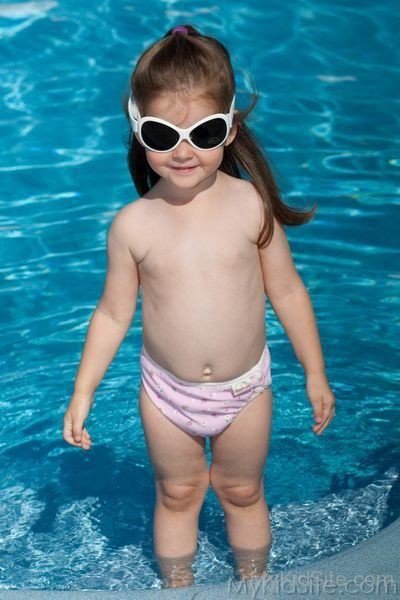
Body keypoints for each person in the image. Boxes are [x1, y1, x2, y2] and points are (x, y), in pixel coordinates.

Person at [62, 24, 336, 589]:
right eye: (164, 134)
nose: (183, 151)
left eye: (204, 131)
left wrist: (315, 372)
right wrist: (83, 390)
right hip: (167, 394)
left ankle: (254, 583)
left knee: (242, 491)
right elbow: (113, 313)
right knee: (177, 493)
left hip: (244, 389)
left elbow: (286, 290)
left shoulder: (248, 206)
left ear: (230, 128)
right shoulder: (134, 225)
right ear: (141, 134)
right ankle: (178, 586)